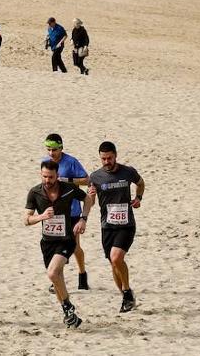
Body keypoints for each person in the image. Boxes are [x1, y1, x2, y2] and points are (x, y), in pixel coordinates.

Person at [24, 159, 93, 329]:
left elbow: (88, 200)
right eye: (44, 176)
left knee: (52, 273)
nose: (47, 180)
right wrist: (41, 217)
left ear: (57, 175)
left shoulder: (68, 189)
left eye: (51, 177)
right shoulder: (35, 192)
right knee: (57, 279)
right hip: (47, 243)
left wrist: (83, 219)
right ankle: (68, 313)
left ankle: (68, 306)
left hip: (66, 240)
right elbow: (26, 220)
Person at [87, 141, 145, 313]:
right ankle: (126, 298)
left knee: (116, 257)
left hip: (126, 224)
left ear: (116, 156)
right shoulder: (95, 177)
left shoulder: (128, 172)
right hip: (107, 226)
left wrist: (138, 198)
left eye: (109, 158)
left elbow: (141, 183)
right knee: (113, 263)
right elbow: (91, 202)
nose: (107, 162)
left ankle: (126, 291)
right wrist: (90, 196)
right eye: (103, 159)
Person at [43, 134, 92, 290]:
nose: (51, 153)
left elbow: (86, 180)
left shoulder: (71, 162)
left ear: (61, 148)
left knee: (75, 247)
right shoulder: (46, 163)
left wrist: (67, 180)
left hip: (72, 212)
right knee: (57, 247)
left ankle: (82, 273)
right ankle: (56, 280)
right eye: (48, 149)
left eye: (54, 150)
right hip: (55, 213)